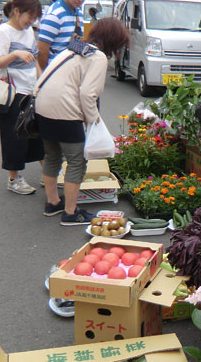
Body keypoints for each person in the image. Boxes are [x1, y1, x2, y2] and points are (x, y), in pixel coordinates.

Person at [35, 18, 130, 226]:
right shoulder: (97, 57)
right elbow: (88, 94)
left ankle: (52, 202)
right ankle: (70, 212)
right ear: (113, 40)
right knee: (77, 160)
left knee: (52, 155)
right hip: (64, 109)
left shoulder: (74, 47)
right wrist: (94, 121)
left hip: (41, 105)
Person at [0, 0, 45, 195]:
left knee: (37, 133)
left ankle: (49, 173)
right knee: (14, 137)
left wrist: (41, 83)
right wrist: (14, 54)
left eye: (34, 18)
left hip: (30, 90)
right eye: (28, 17)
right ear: (16, 11)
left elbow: (36, 61)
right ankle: (14, 179)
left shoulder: (29, 30)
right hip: (12, 94)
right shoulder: (2, 32)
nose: (30, 21)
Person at [37, 0, 90, 70]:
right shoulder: (54, 15)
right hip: (55, 73)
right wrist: (45, 76)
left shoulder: (79, 13)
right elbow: (42, 50)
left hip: (72, 72)